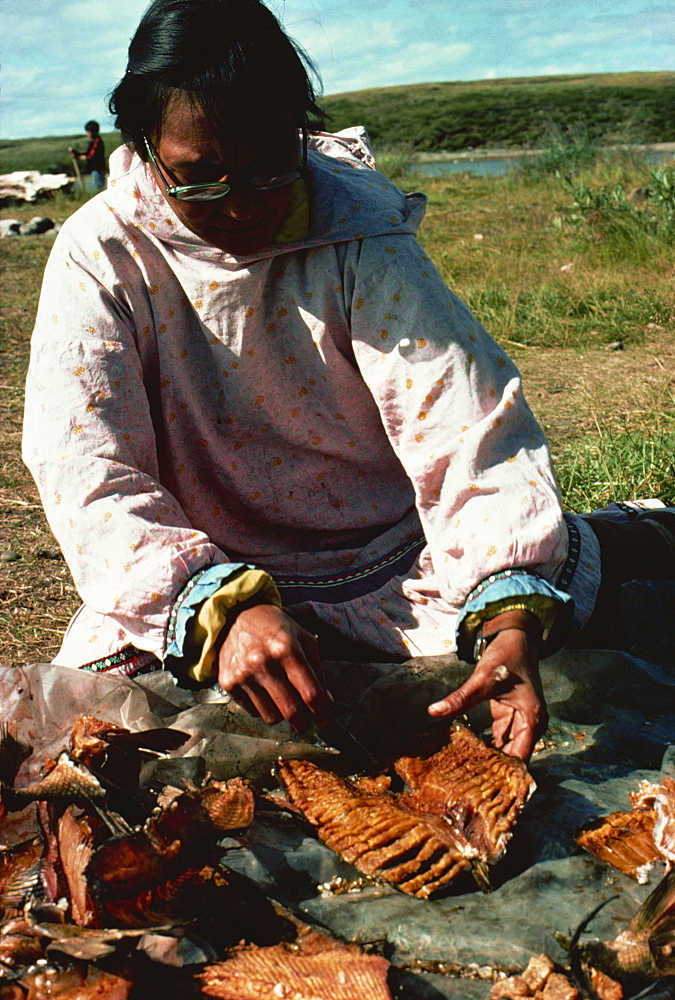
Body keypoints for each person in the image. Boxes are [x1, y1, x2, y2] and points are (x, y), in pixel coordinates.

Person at [23, 0, 674, 763]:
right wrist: (218, 609)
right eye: (198, 179)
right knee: (111, 719)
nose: (238, 204)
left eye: (269, 167)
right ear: (144, 150)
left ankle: (631, 538)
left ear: (299, 132)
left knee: (532, 614)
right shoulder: (101, 253)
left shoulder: (358, 234)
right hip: (207, 559)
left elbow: (465, 424)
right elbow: (88, 470)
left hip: (391, 559)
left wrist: (507, 619)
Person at [68, 120, 107, 192]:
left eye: (88, 132)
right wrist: (76, 153)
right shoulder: (94, 142)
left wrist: (79, 156)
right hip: (96, 169)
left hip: (98, 169)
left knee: (99, 189)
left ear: (93, 131)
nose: (87, 134)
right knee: (98, 188)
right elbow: (86, 153)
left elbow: (90, 156)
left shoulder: (97, 142)